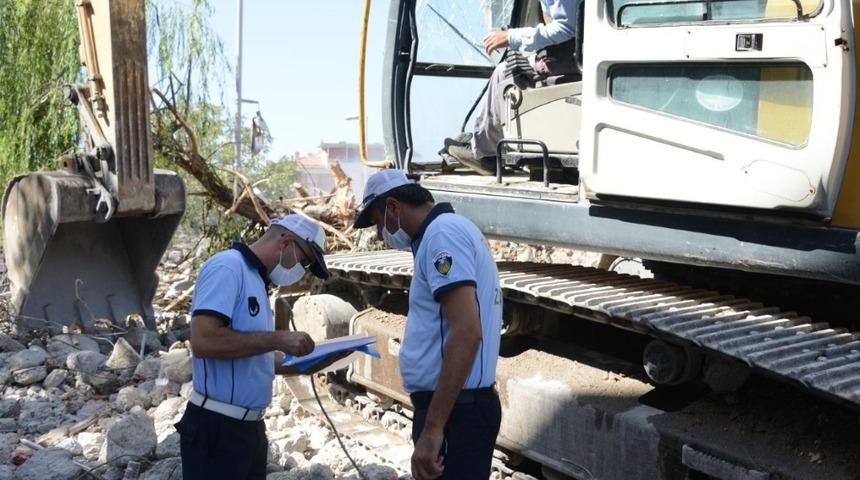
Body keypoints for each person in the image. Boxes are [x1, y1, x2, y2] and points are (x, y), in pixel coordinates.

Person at [354, 169, 503, 479]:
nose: (381, 234)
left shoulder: (441, 235)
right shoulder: (449, 230)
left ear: (393, 207)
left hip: (454, 416)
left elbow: (466, 331)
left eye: (379, 221)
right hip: (458, 410)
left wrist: (434, 428)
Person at [175, 214, 334, 480]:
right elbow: (204, 341)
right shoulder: (227, 267)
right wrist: (278, 338)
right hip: (217, 428)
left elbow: (251, 357)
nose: (302, 269)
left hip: (248, 430)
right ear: (285, 242)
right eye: (304, 260)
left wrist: (311, 362)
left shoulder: (258, 281)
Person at [444, 0, 580, 175]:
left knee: (504, 72)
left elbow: (566, 28)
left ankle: (486, 154)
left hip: (574, 61)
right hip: (572, 57)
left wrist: (511, 37)